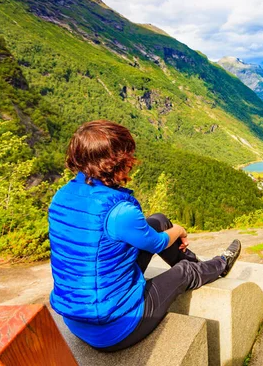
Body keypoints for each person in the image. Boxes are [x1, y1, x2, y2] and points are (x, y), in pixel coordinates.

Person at [48, 120, 241, 352]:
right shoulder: (119, 212)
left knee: (158, 221)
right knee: (184, 272)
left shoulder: (63, 195)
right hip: (114, 327)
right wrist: (179, 230)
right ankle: (220, 264)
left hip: (76, 319)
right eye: (128, 155)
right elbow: (157, 243)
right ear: (117, 161)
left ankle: (197, 267)